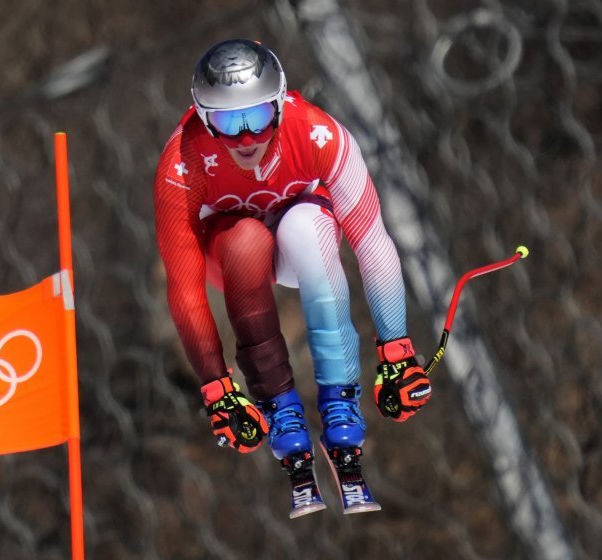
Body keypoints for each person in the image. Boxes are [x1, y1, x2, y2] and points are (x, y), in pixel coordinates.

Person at [153, 38, 431, 509]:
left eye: (257, 118)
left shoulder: (318, 133)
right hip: (236, 260)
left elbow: (370, 238)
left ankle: (340, 404)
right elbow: (184, 287)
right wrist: (218, 389)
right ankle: (280, 408)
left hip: (301, 241)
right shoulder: (182, 163)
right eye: (226, 122)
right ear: (201, 117)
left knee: (308, 225)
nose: (245, 139)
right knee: (245, 240)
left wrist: (396, 351)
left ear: (281, 103)